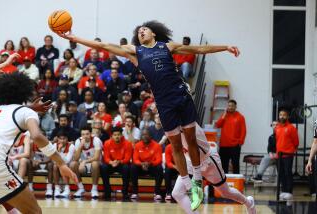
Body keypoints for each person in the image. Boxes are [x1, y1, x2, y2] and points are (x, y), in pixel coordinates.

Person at [57, 21, 240, 210]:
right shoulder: (136, 52)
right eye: (139, 31)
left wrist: (225, 47)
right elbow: (103, 45)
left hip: (182, 97)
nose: (141, 31)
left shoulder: (167, 46)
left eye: (144, 29)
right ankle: (187, 184)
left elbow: (199, 49)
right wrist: (74, 37)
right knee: (176, 145)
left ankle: (197, 185)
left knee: (191, 141)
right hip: (164, 103)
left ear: (153, 33)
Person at [0, 72, 77, 213]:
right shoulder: (26, 113)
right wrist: (61, 163)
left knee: (6, 199)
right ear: (26, 93)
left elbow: (11, 113)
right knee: (34, 212)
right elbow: (37, 136)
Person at [172, 124, 256, 214]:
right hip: (190, 161)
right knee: (177, 193)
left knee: (225, 192)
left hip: (207, 160)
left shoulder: (185, 120)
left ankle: (248, 202)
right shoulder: (169, 125)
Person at [100, 127, 132, 200]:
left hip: (122, 163)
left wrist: (119, 162)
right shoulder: (107, 143)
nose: (117, 136)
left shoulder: (127, 143)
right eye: (115, 135)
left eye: (118, 135)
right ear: (111, 136)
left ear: (121, 135)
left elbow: (127, 158)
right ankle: (107, 192)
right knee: (103, 167)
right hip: (112, 164)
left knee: (126, 168)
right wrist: (111, 162)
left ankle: (125, 192)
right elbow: (106, 157)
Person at [131, 129, 163, 200]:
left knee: (159, 168)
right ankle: (135, 193)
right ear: (141, 136)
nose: (145, 136)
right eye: (143, 135)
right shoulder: (137, 145)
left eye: (147, 135)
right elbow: (135, 159)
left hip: (152, 166)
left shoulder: (157, 146)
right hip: (141, 167)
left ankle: (157, 193)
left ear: (151, 136)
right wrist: (141, 163)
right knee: (133, 167)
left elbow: (159, 160)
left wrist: (150, 163)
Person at [215, 99, 246, 174]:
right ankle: (223, 183)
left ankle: (236, 182)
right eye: (229, 106)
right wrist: (224, 116)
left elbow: (243, 130)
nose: (230, 107)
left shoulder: (240, 117)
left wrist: (240, 142)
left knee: (235, 165)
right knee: (223, 165)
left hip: (235, 145)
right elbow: (218, 125)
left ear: (235, 107)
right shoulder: (224, 115)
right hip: (224, 145)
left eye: (232, 106)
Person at [70, 126, 102, 198]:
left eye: (87, 134)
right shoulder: (78, 141)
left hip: (97, 164)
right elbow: (75, 158)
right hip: (84, 165)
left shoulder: (96, 140)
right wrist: (80, 146)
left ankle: (94, 189)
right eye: (83, 134)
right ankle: (81, 188)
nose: (85, 136)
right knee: (73, 164)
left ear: (91, 134)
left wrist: (84, 161)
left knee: (95, 164)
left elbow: (96, 157)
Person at [275, 109, 299, 201]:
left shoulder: (291, 128)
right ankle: (283, 191)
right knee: (281, 174)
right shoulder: (277, 127)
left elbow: (296, 142)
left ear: (287, 116)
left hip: (288, 155)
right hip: (279, 155)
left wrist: (291, 150)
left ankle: (289, 192)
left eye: (284, 115)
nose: (282, 117)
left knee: (287, 173)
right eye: (280, 115)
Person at [52, 130, 75, 198]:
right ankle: (57, 189)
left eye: (64, 138)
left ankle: (67, 189)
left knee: (64, 166)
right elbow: (53, 160)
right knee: (55, 166)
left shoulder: (71, 146)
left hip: (68, 166)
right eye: (60, 139)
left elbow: (67, 161)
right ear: (57, 139)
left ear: (67, 139)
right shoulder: (54, 145)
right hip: (58, 165)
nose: (62, 141)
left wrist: (59, 151)